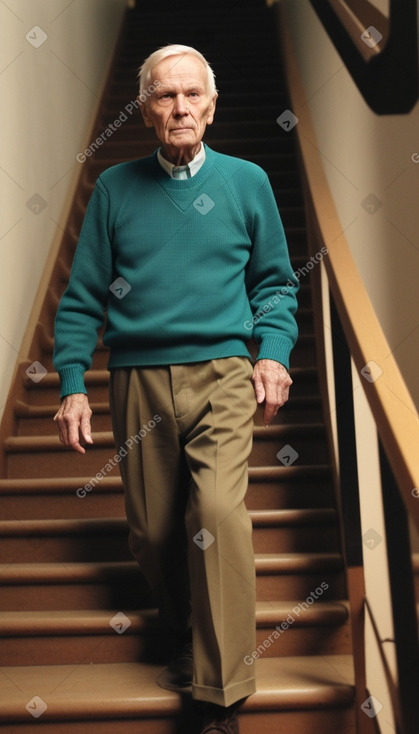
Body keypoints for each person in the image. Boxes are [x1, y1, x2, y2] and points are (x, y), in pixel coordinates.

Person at [53, 44, 299, 734]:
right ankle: (183, 628)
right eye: (164, 97)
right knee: (153, 533)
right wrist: (73, 383)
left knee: (217, 517)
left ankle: (220, 694)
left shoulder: (247, 182)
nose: (180, 108)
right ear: (144, 110)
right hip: (136, 377)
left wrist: (271, 353)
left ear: (212, 106)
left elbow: (275, 284)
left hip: (222, 373)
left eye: (192, 95)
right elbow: (80, 300)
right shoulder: (113, 189)